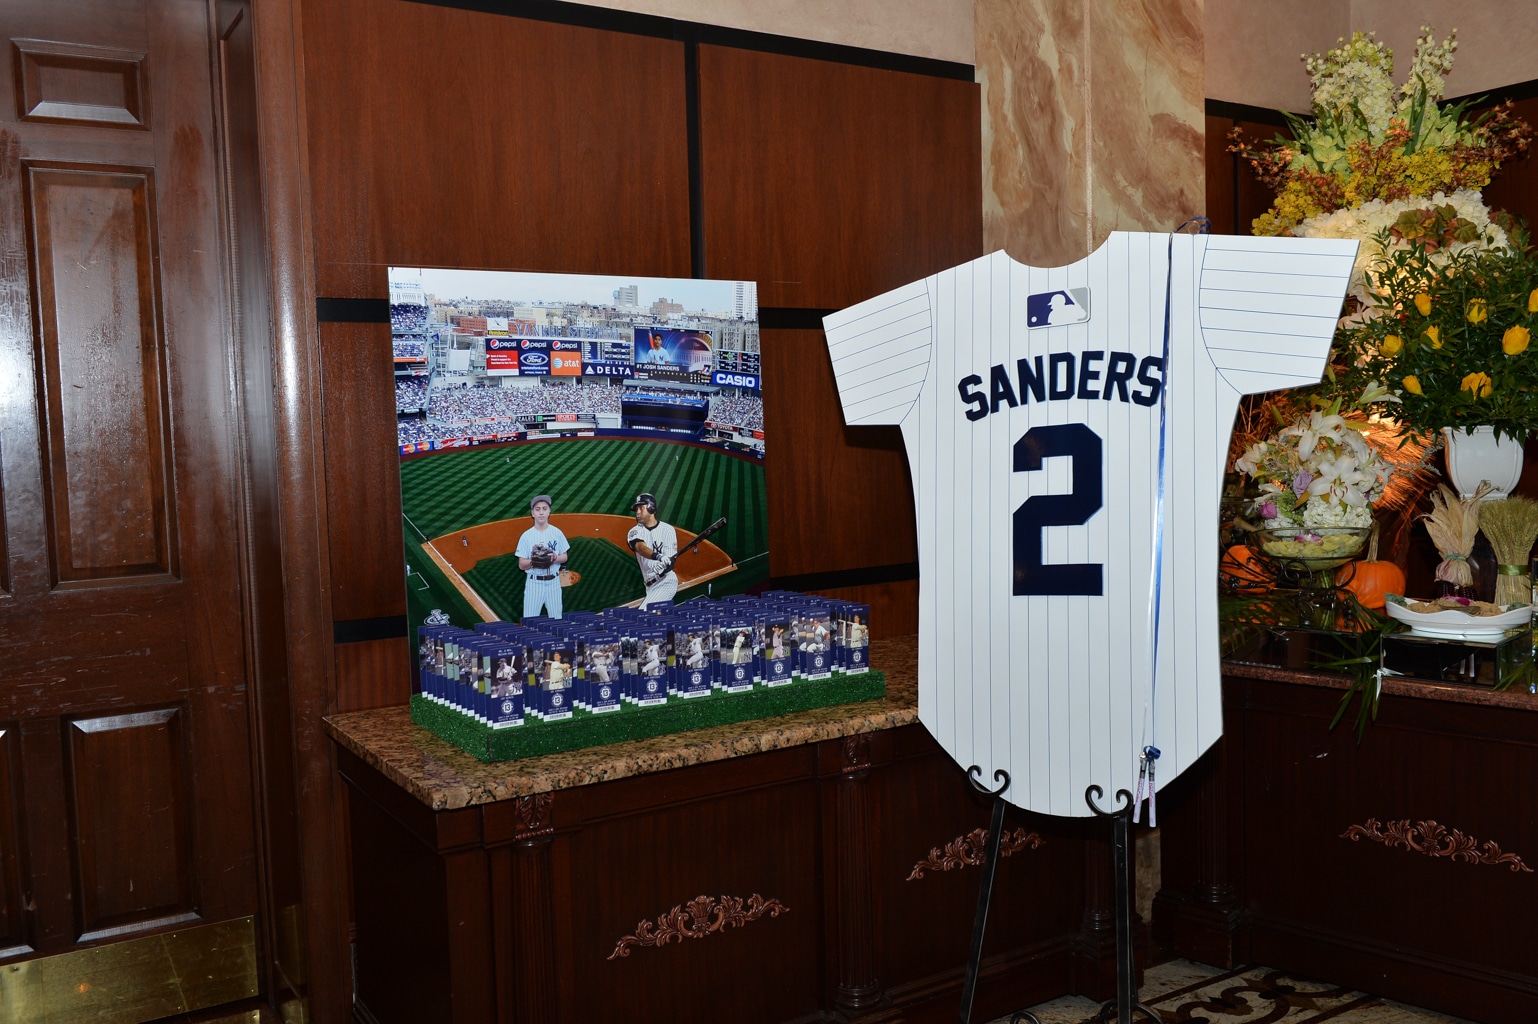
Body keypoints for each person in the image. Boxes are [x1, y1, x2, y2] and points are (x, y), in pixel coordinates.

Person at [516, 494, 570, 619]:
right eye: (538, 509)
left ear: (549, 512)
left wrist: (555, 558)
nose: (541, 512)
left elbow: (565, 557)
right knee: (530, 622)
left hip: (554, 583)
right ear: (532, 513)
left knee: (557, 621)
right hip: (534, 584)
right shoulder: (526, 536)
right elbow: (521, 565)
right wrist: (535, 561)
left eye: (544, 509)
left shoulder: (557, 533)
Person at [627, 492, 678, 609]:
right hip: (650, 587)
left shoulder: (668, 530)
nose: (637, 512)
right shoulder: (634, 531)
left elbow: (671, 563)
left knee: (643, 614)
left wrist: (664, 566)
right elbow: (640, 547)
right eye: (636, 509)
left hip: (666, 582)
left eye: (641, 508)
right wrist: (658, 557)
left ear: (651, 508)